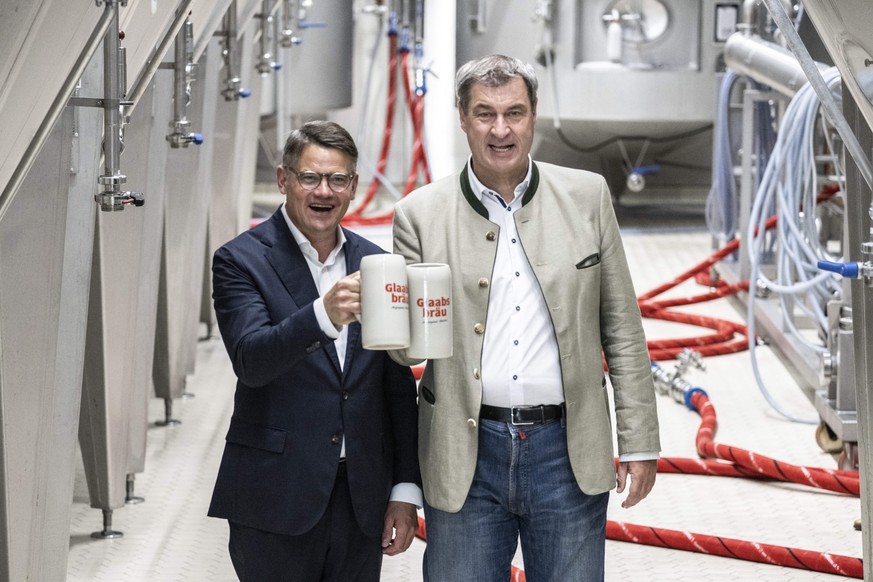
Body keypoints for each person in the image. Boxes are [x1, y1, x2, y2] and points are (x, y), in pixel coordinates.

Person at [389, 54, 661, 581]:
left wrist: (640, 441)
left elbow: (622, 327)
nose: (500, 129)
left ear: (534, 114)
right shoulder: (419, 215)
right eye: (485, 113)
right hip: (466, 452)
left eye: (514, 112)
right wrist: (390, 313)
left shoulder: (587, 197)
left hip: (566, 450)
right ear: (463, 118)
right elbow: (405, 355)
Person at [208, 120, 421, 582]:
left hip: (360, 501)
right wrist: (323, 315)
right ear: (284, 180)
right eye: (310, 177)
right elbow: (251, 359)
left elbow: (397, 390)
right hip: (275, 498)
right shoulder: (240, 260)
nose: (323, 192)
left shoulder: (377, 264)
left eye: (337, 179)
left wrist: (404, 491)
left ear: (353, 186)